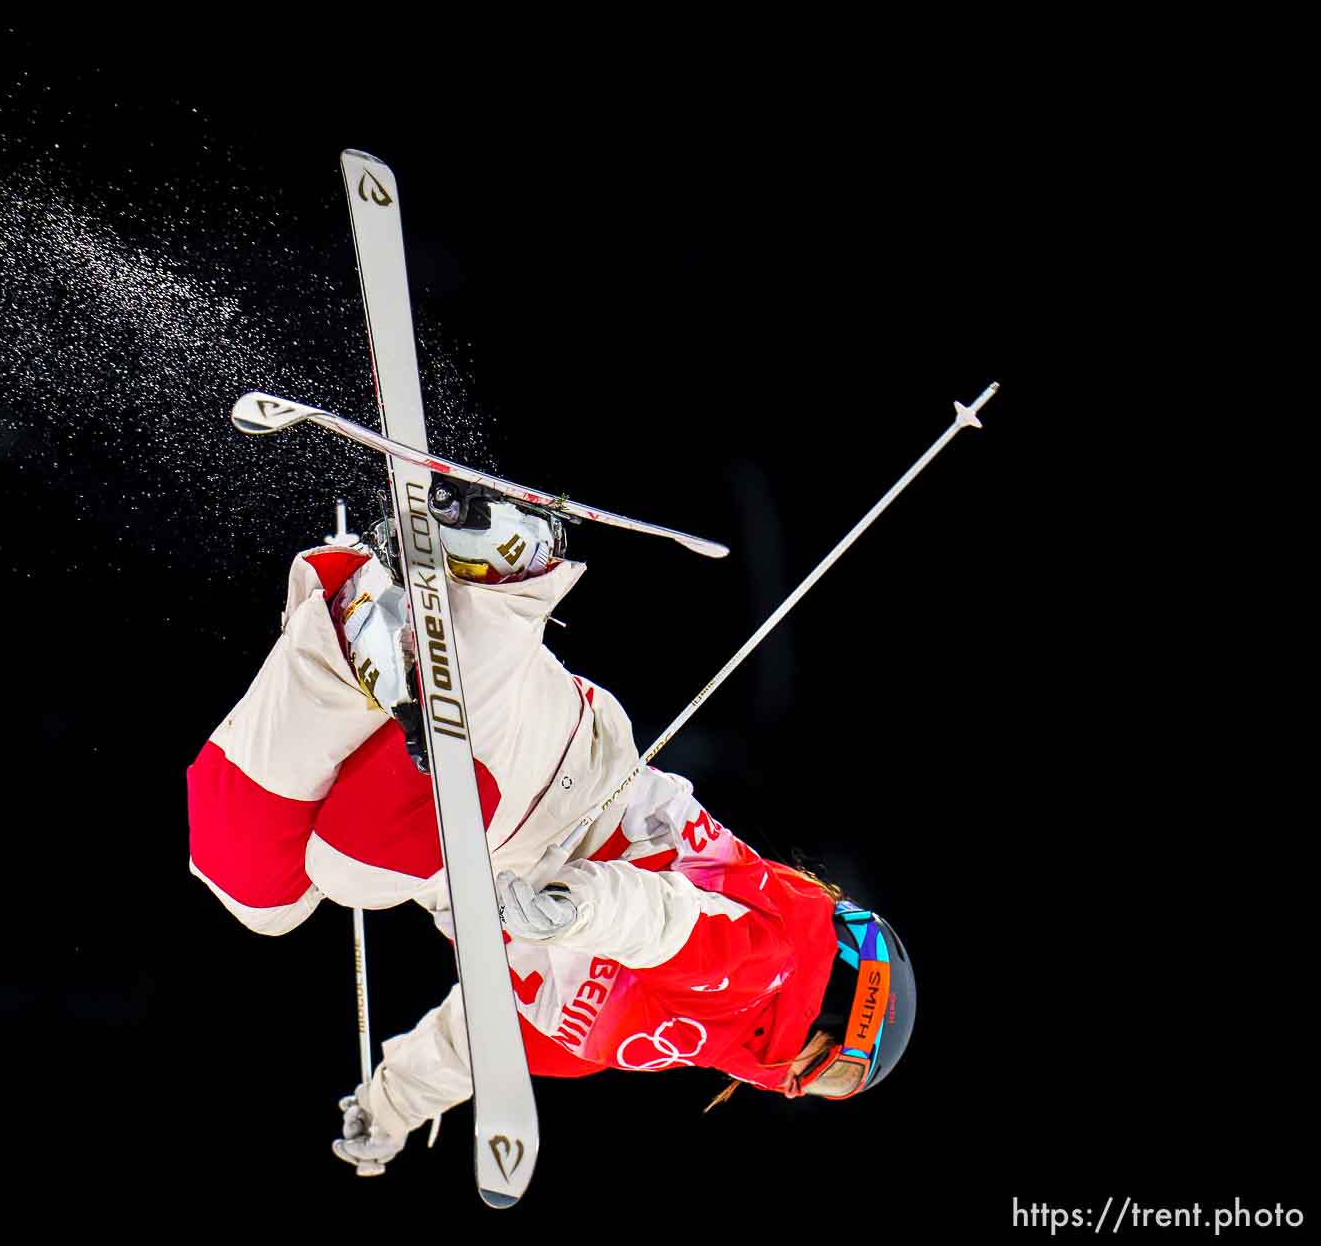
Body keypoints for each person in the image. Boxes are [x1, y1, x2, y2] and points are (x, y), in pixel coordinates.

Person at [185, 483, 915, 1172]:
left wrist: (393, 1105)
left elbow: (476, 1034)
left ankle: (354, 630)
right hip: (561, 788)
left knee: (257, 890)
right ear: (845, 1004)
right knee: (351, 866)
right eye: (836, 1073)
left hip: (469, 856)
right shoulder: (772, 963)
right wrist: (579, 906)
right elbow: (667, 924)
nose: (797, 1087)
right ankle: (509, 576)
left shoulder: (640, 1043)